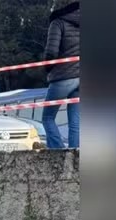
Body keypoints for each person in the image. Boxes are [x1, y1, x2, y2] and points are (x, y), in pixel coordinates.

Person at [42, 0, 80, 149]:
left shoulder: (57, 23)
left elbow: (51, 52)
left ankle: (57, 153)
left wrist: (47, 68)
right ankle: (76, 154)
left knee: (47, 117)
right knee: (75, 122)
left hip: (63, 76)